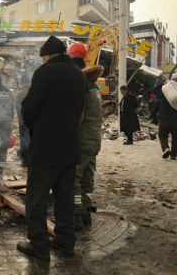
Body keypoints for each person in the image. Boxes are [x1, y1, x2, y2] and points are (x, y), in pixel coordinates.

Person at [17, 35, 87, 261]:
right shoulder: (78, 75)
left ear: (47, 55)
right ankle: (65, 242)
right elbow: (80, 111)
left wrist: (32, 124)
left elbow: (29, 108)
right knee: (64, 198)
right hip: (70, 147)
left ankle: (39, 245)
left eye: (44, 57)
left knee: (35, 199)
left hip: (46, 148)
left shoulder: (44, 72)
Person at [68, 41, 104, 230]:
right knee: (87, 176)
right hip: (94, 139)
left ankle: (75, 214)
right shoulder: (93, 85)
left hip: (81, 140)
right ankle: (87, 209)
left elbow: (77, 116)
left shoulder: (79, 83)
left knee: (73, 176)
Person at [153, 82, 177, 160]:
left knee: (163, 135)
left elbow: (155, 89)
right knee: (176, 138)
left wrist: (163, 83)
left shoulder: (163, 95)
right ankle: (173, 155)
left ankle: (166, 149)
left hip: (164, 119)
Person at [14, 81, 31, 166]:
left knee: (24, 140)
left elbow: (17, 108)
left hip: (23, 121)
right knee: (31, 139)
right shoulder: (33, 92)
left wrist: (20, 119)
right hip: (33, 121)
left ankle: (25, 160)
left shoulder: (19, 94)